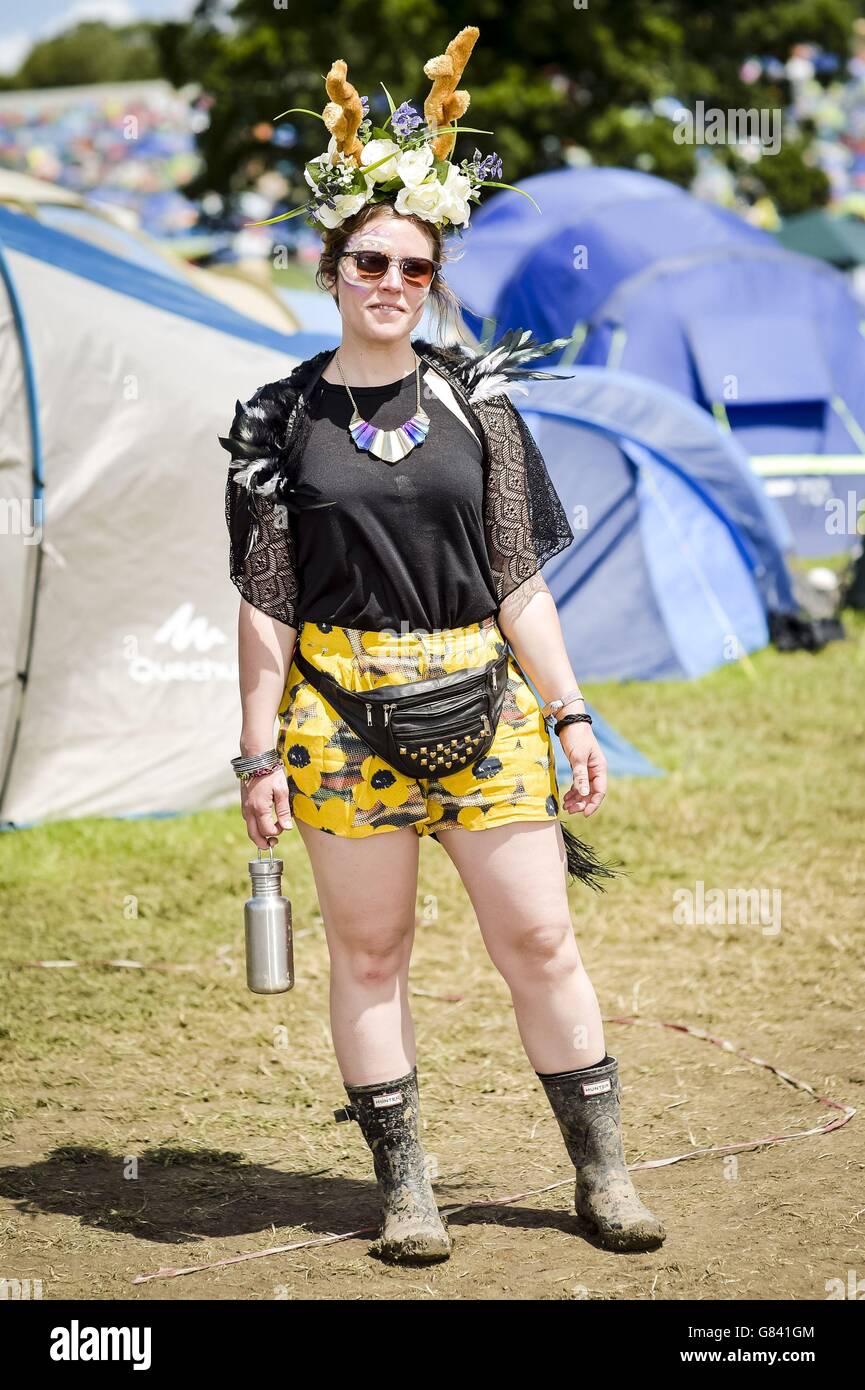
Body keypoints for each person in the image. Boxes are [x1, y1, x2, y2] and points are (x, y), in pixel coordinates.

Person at [219, 26, 665, 1265]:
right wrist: (255, 755)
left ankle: (604, 1176)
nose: (390, 282)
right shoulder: (277, 418)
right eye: (369, 261)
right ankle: (407, 1192)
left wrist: (570, 711)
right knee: (368, 952)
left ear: (432, 275)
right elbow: (266, 603)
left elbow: (517, 578)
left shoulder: (482, 402)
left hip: (485, 700)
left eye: (413, 266)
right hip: (338, 719)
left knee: (539, 940)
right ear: (332, 268)